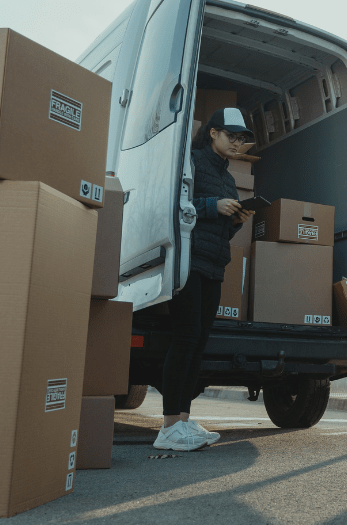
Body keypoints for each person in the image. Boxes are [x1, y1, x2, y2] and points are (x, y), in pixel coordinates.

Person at [153, 108, 256, 452]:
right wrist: (214, 205)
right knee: (184, 339)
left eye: (242, 139)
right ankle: (168, 426)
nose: (237, 143)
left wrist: (237, 217)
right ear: (213, 133)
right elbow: (172, 205)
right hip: (188, 261)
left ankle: (182, 420)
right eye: (232, 136)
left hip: (214, 265)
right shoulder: (192, 162)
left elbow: (223, 231)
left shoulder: (228, 178)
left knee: (198, 342)